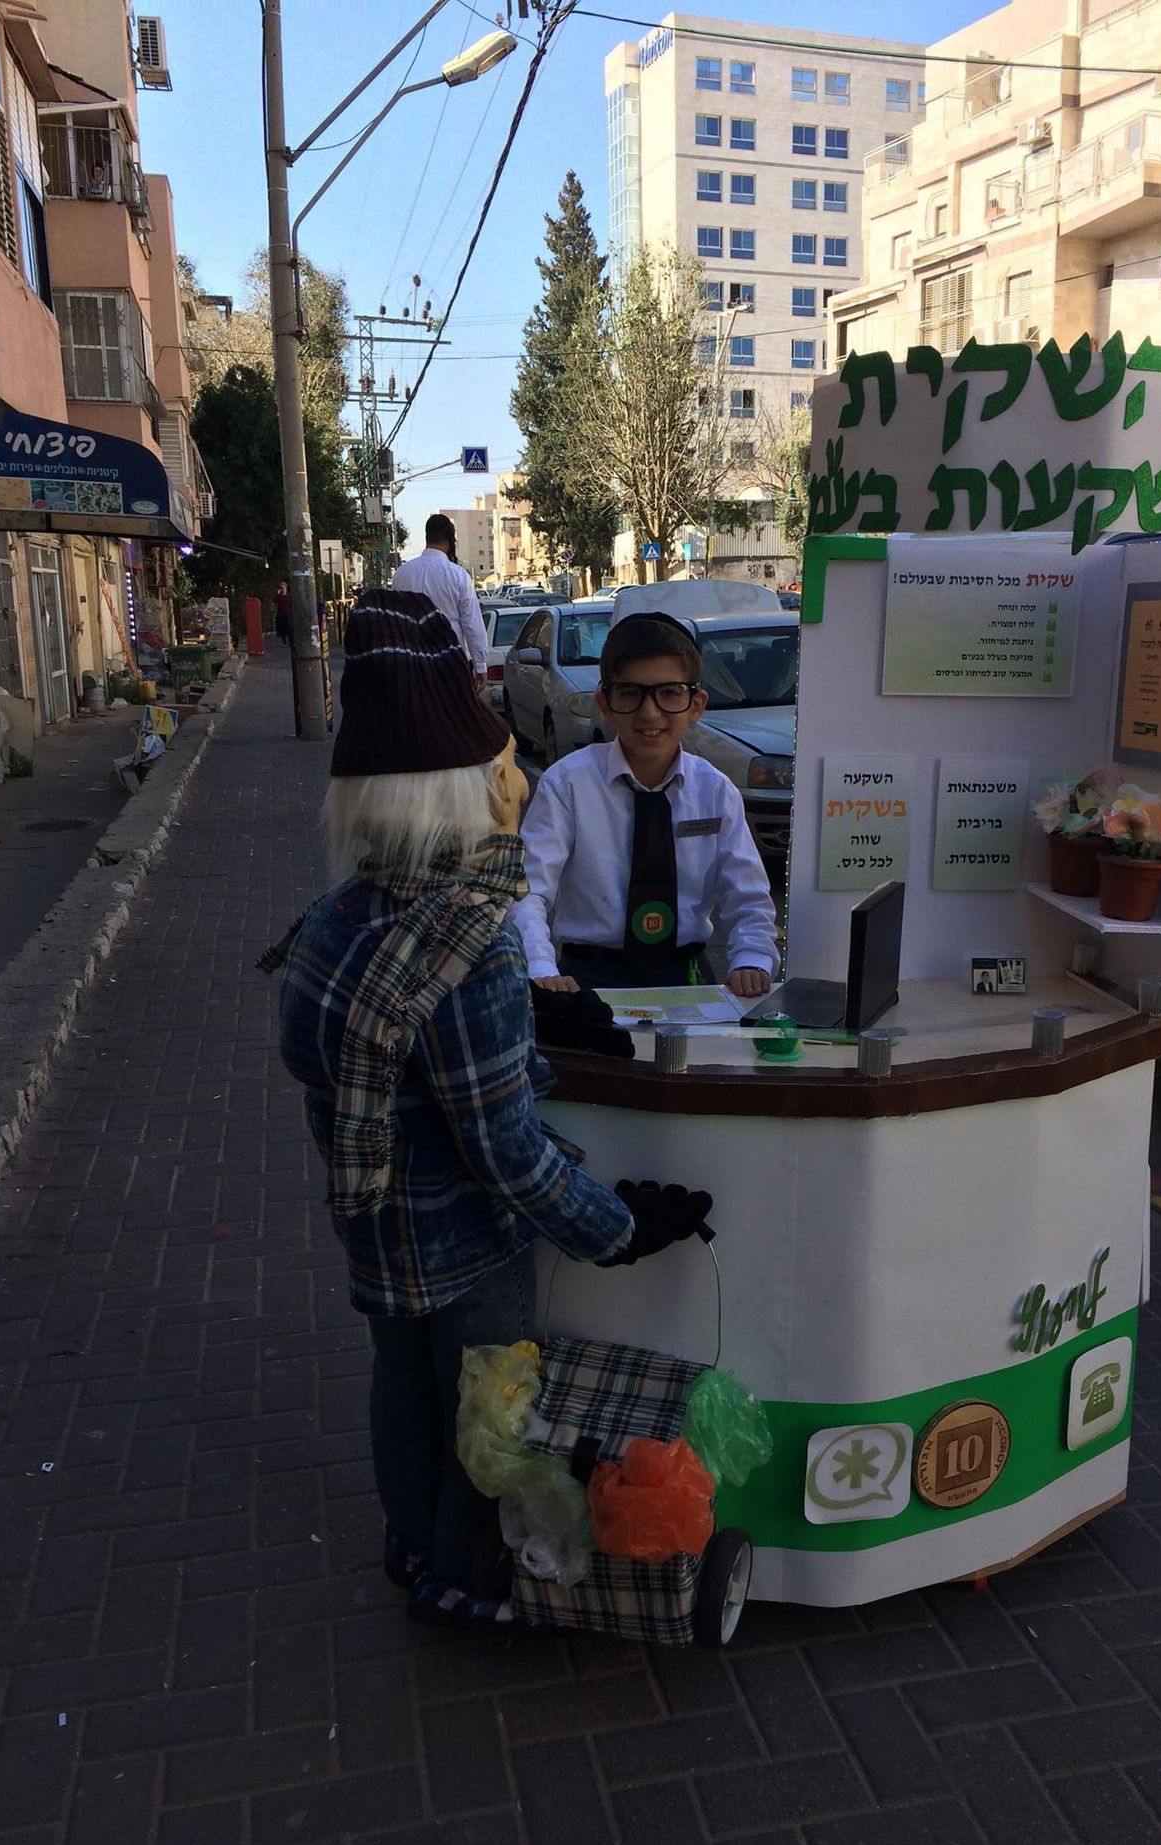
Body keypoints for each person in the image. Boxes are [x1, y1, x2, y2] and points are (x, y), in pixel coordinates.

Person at [262, 589, 708, 1624]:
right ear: (455, 792)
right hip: (466, 1251)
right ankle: (463, 1578)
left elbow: (381, 1068)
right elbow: (505, 1153)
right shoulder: (470, 939)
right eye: (502, 763)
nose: (520, 777)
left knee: (400, 1392)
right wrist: (618, 1228)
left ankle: (409, 1546)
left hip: (374, 1229)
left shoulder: (335, 917)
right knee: (483, 1421)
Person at [513, 611, 778, 997]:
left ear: (696, 704)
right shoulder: (567, 784)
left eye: (670, 693)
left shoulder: (715, 790)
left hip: (684, 973)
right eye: (630, 693)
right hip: (588, 974)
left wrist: (752, 958)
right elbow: (530, 888)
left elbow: (747, 894)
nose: (650, 713)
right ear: (604, 702)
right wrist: (539, 966)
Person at [391, 513, 488, 681]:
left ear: (427, 536)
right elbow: (471, 623)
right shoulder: (458, 575)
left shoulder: (402, 574)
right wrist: (480, 666)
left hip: (412, 664)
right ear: (450, 540)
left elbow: (394, 621)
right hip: (451, 664)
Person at [273, 582, 292, 647]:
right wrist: (278, 594)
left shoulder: (289, 596)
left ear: (286, 588)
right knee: (283, 629)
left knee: (289, 628)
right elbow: (275, 600)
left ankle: (290, 641)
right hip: (281, 614)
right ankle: (284, 642)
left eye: (284, 588)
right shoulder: (279, 596)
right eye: (281, 588)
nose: (283, 589)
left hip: (288, 614)